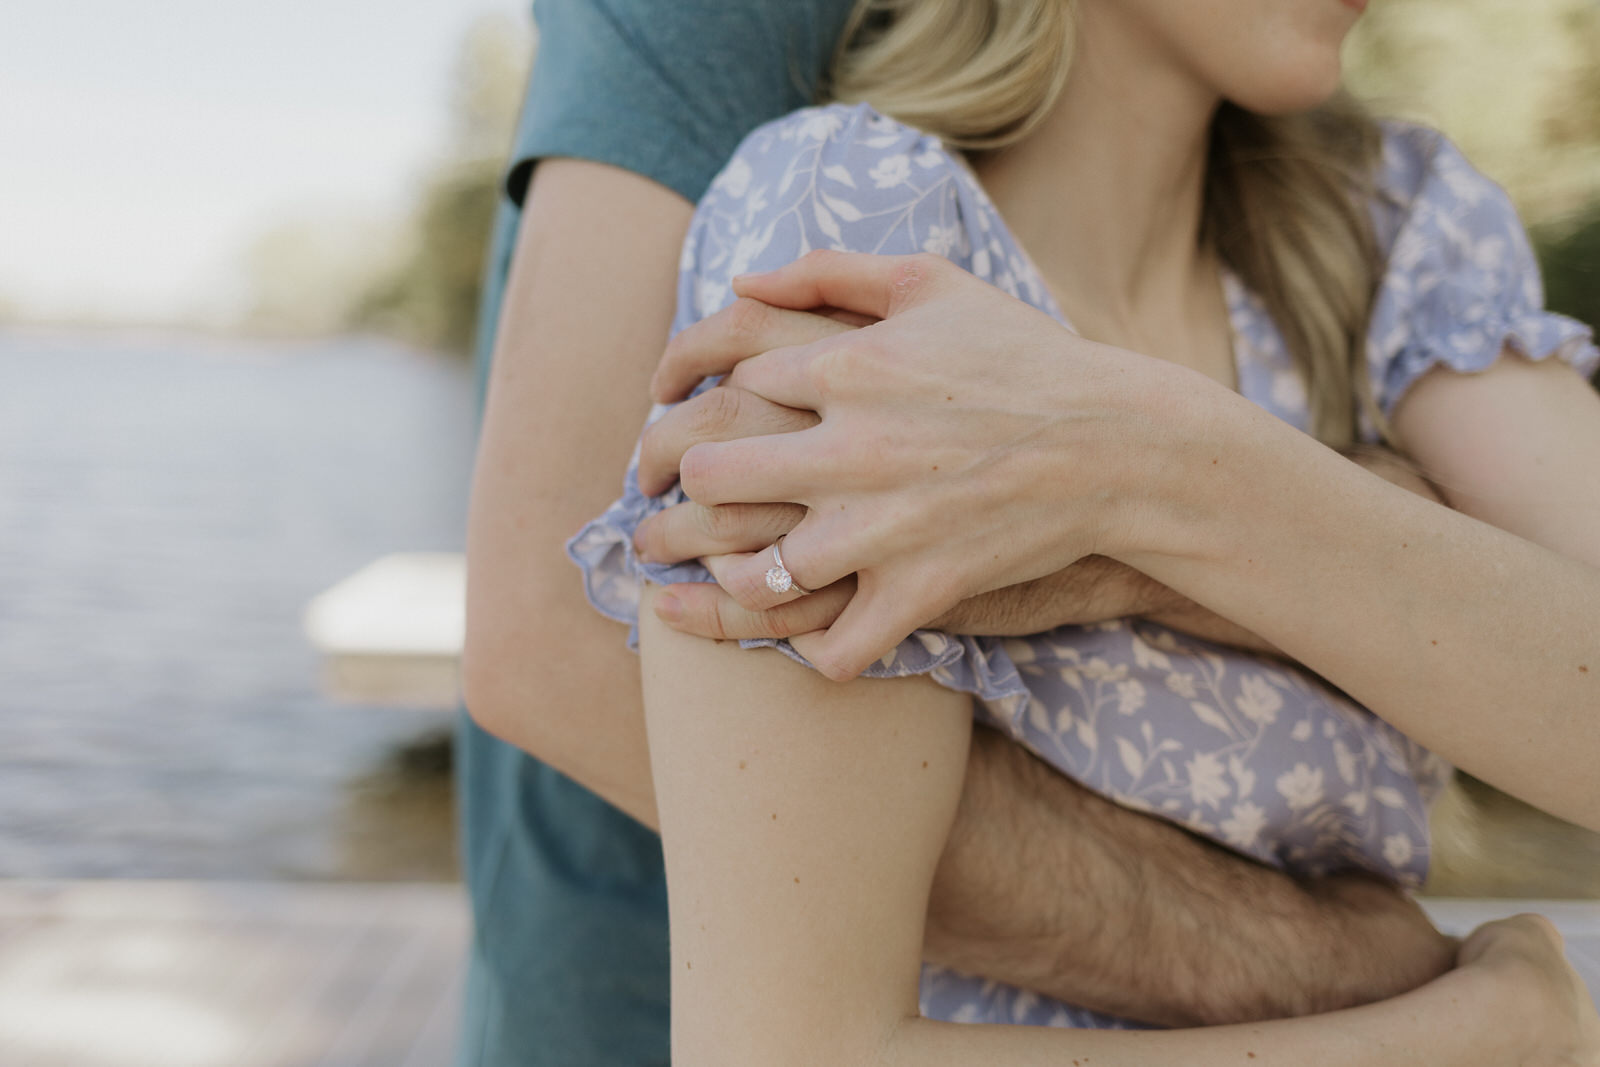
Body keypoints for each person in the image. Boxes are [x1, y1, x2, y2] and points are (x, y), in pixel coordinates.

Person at [458, 1, 1590, 1063]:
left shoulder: (1398, 226)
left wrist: (1148, 475)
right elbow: (791, 1045)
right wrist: (1458, 1036)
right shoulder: (858, 220)